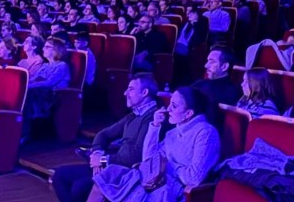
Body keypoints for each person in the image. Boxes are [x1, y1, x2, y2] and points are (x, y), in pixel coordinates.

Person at [88, 87, 220, 202]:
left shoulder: (206, 133)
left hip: (172, 189)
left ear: (188, 113)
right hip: (155, 179)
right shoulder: (173, 133)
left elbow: (194, 178)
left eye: (174, 106)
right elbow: (148, 159)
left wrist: (166, 165)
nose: (168, 110)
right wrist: (155, 126)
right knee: (108, 175)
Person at [52, 73, 164, 202]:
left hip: (127, 173)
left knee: (80, 186)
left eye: (131, 89)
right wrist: (97, 154)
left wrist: (103, 160)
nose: (125, 93)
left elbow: (135, 156)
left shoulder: (152, 118)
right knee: (60, 175)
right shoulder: (133, 115)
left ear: (144, 92)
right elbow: (103, 134)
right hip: (112, 165)